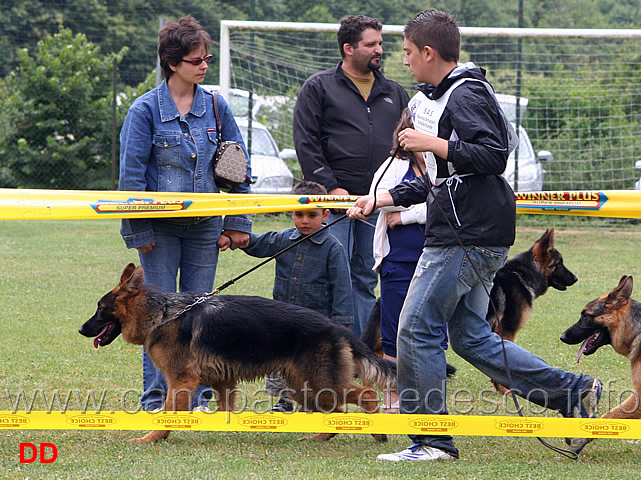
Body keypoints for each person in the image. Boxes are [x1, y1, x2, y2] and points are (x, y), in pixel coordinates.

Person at [348, 9, 601, 462]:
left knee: (415, 328)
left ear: (428, 52)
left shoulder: (467, 93)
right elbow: (441, 179)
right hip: (471, 231)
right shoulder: (439, 96)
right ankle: (573, 391)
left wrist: (432, 143)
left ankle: (430, 441)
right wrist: (380, 200)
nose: (403, 61)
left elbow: (493, 156)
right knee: (470, 337)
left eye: (407, 52)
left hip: (467, 236)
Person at [118, 16, 252, 412]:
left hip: (205, 230)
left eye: (207, 58)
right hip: (157, 230)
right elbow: (131, 177)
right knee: (155, 322)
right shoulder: (144, 110)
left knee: (201, 319)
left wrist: (238, 223)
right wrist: (137, 230)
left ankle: (201, 400)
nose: (204, 65)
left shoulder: (216, 105)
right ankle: (155, 400)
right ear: (173, 63)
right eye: (196, 60)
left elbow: (237, 166)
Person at [293, 15, 410, 338]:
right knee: (331, 274)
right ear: (348, 48)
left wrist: (395, 195)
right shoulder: (318, 88)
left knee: (364, 277)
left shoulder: (396, 93)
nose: (379, 50)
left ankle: (358, 353)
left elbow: (407, 149)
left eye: (380, 43)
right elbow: (306, 142)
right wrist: (332, 187)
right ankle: (322, 349)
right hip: (336, 203)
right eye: (371, 44)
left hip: (379, 204)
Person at [242, 180, 354, 412]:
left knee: (309, 366)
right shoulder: (282, 238)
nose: (304, 220)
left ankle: (314, 402)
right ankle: (284, 401)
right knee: (279, 361)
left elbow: (342, 288)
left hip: (314, 325)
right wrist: (235, 239)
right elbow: (257, 244)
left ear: (326, 214)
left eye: (312, 215)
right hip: (281, 322)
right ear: (291, 212)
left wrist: (341, 323)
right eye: (298, 214)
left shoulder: (333, 248)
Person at [370, 108, 448, 414]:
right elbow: (377, 199)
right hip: (398, 261)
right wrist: (397, 214)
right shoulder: (393, 166)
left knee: (434, 331)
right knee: (393, 332)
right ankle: (392, 402)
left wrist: (406, 216)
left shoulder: (445, 168)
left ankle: (431, 401)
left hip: (438, 259)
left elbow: (449, 207)